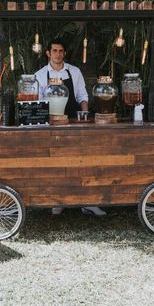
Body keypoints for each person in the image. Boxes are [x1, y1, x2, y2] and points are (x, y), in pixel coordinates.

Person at [34, 39, 106, 217]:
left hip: (75, 122)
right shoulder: (40, 75)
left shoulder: (74, 71)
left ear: (64, 53)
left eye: (61, 50)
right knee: (57, 163)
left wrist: (85, 117)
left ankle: (88, 202)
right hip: (53, 126)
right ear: (48, 54)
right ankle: (59, 201)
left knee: (83, 161)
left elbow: (82, 96)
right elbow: (37, 101)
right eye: (55, 50)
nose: (58, 54)